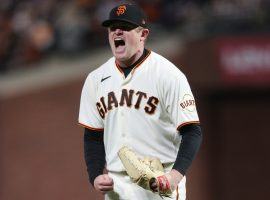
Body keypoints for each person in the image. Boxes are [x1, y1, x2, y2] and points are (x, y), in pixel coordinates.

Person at [78, 3, 202, 200]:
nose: (117, 31)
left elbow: (192, 132)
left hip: (160, 180)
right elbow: (92, 135)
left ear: (143, 34)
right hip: (117, 186)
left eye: (125, 26)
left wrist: (175, 176)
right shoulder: (95, 79)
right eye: (112, 27)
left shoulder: (168, 75)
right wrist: (95, 175)